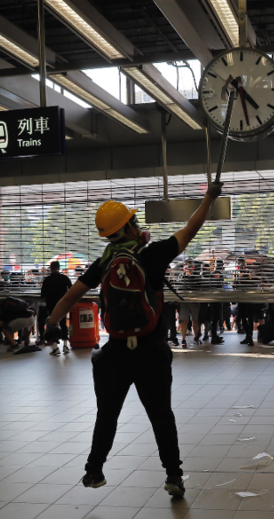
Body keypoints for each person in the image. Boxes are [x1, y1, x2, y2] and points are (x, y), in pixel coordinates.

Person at [43, 181, 223, 496]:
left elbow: (71, 296)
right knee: (161, 416)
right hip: (151, 351)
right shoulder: (151, 254)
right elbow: (190, 229)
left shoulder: (105, 262)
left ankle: (94, 471)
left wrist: (51, 323)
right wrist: (208, 198)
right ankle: (173, 477)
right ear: (128, 225)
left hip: (114, 354)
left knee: (107, 416)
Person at [41, 261, 73, 355]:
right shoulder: (65, 278)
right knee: (63, 324)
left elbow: (43, 294)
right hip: (63, 304)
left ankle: (55, 347)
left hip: (51, 305)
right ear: (59, 268)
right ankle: (66, 346)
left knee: (53, 325)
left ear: (51, 268)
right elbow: (71, 289)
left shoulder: (47, 279)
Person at [177, 258, 201, 349]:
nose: (189, 266)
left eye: (190, 264)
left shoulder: (197, 276)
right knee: (184, 321)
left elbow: (200, 288)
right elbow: (178, 287)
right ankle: (183, 339)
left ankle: (196, 337)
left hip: (194, 301)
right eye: (187, 264)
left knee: (195, 320)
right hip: (184, 302)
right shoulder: (181, 276)